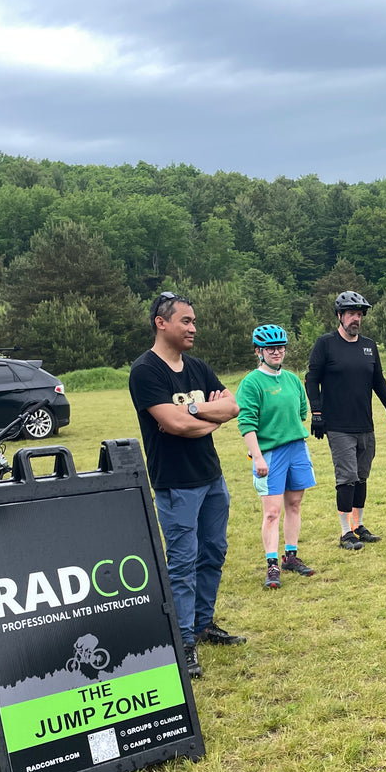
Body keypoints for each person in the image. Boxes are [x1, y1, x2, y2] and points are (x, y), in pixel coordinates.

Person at [129, 291, 247, 679]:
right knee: (182, 564)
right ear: (161, 323)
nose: (193, 328)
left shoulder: (197, 367)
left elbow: (232, 406)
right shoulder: (146, 371)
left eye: (194, 321)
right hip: (175, 482)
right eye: (186, 321)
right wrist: (204, 418)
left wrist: (195, 411)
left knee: (213, 551)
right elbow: (173, 425)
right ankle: (183, 641)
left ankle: (203, 623)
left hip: (212, 477)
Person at [305, 291, 386, 550]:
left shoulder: (368, 346)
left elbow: (378, 380)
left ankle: (359, 525)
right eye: (350, 314)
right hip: (338, 425)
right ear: (339, 315)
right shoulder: (325, 344)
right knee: (346, 477)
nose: (355, 319)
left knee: (361, 477)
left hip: (365, 425)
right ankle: (345, 532)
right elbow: (311, 379)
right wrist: (316, 413)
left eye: (359, 314)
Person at [235, 325, 317, 589]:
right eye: (270, 348)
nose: (276, 352)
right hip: (270, 453)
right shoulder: (251, 382)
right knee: (272, 512)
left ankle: (290, 556)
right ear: (259, 351)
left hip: (297, 448)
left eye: (280, 347)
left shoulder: (293, 379)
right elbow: (246, 422)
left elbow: (302, 410)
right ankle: (271, 565)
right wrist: (257, 456)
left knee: (294, 504)